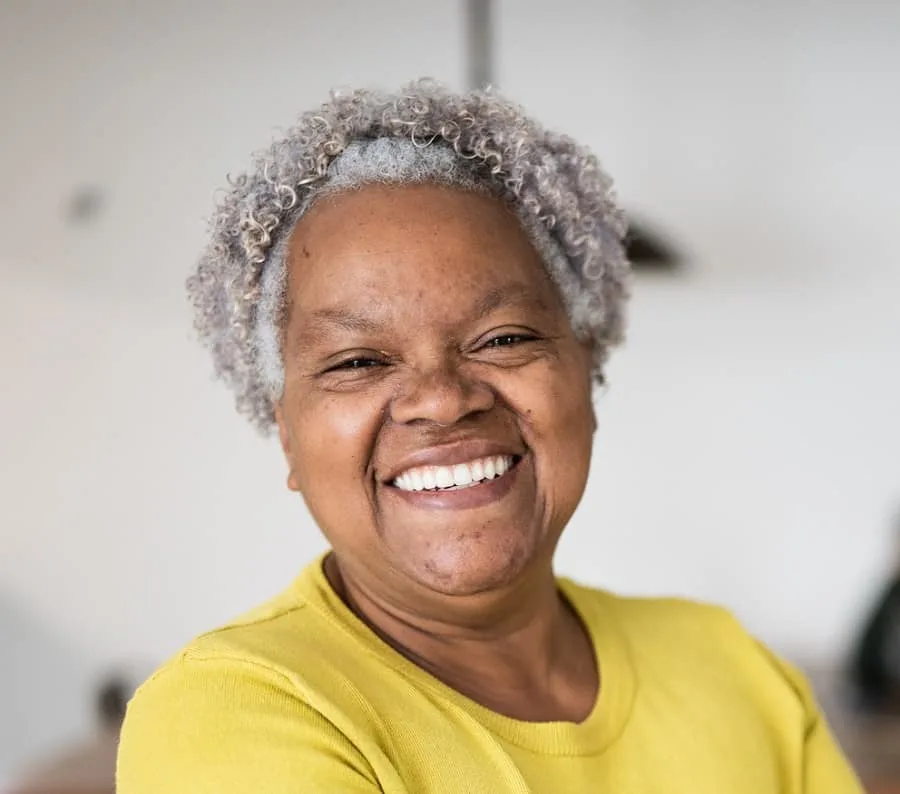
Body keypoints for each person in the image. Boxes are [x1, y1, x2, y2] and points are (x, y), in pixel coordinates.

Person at [116, 80, 861, 793]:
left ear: (586, 371)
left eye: (503, 339)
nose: (442, 400)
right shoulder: (236, 713)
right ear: (286, 438)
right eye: (358, 361)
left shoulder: (728, 666)